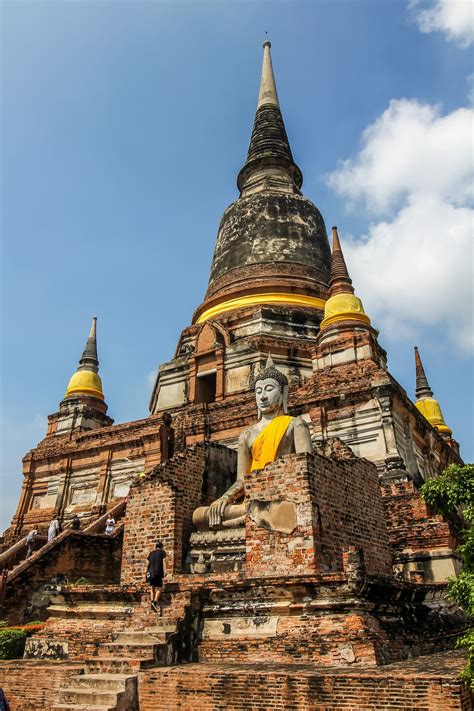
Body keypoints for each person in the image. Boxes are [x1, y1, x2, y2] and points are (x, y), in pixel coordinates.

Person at [193, 355, 312, 530]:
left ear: (283, 392)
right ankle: (249, 518)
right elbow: (242, 480)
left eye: (269, 389)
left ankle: (248, 519)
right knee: (200, 515)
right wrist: (224, 498)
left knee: (277, 509)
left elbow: (306, 470)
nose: (263, 397)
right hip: (251, 499)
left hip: (284, 496)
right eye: (258, 391)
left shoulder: (295, 425)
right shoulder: (247, 435)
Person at [146, 541, 167, 612]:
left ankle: (152, 602)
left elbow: (147, 564)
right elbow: (164, 562)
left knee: (152, 587)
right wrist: (165, 570)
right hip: (158, 571)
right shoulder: (162, 552)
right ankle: (155, 602)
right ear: (161, 547)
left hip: (150, 572)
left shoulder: (151, 553)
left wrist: (146, 573)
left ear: (156, 546)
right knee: (159, 588)